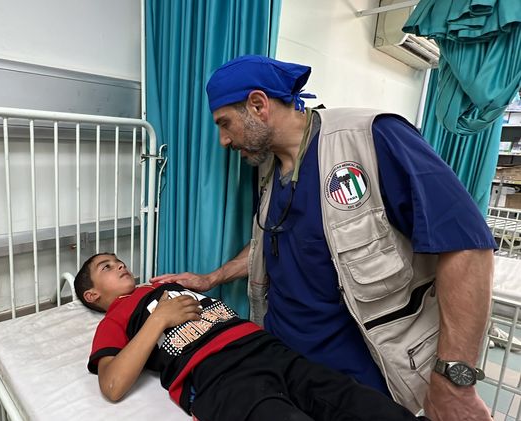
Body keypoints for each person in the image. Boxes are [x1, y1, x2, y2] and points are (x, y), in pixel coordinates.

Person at [151, 55, 496, 421]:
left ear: (258, 105)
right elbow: (272, 245)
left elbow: (467, 245)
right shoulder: (268, 171)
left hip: (363, 379)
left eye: (225, 123)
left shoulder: (371, 139)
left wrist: (455, 378)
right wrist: (211, 279)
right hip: (287, 367)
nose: (222, 141)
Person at [75, 252, 426, 421]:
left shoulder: (161, 284)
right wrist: (158, 320)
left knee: (358, 403)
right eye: (106, 267)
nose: (120, 264)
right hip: (220, 377)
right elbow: (113, 385)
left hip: (267, 349)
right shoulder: (116, 317)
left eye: (118, 260)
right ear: (93, 296)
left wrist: (202, 281)